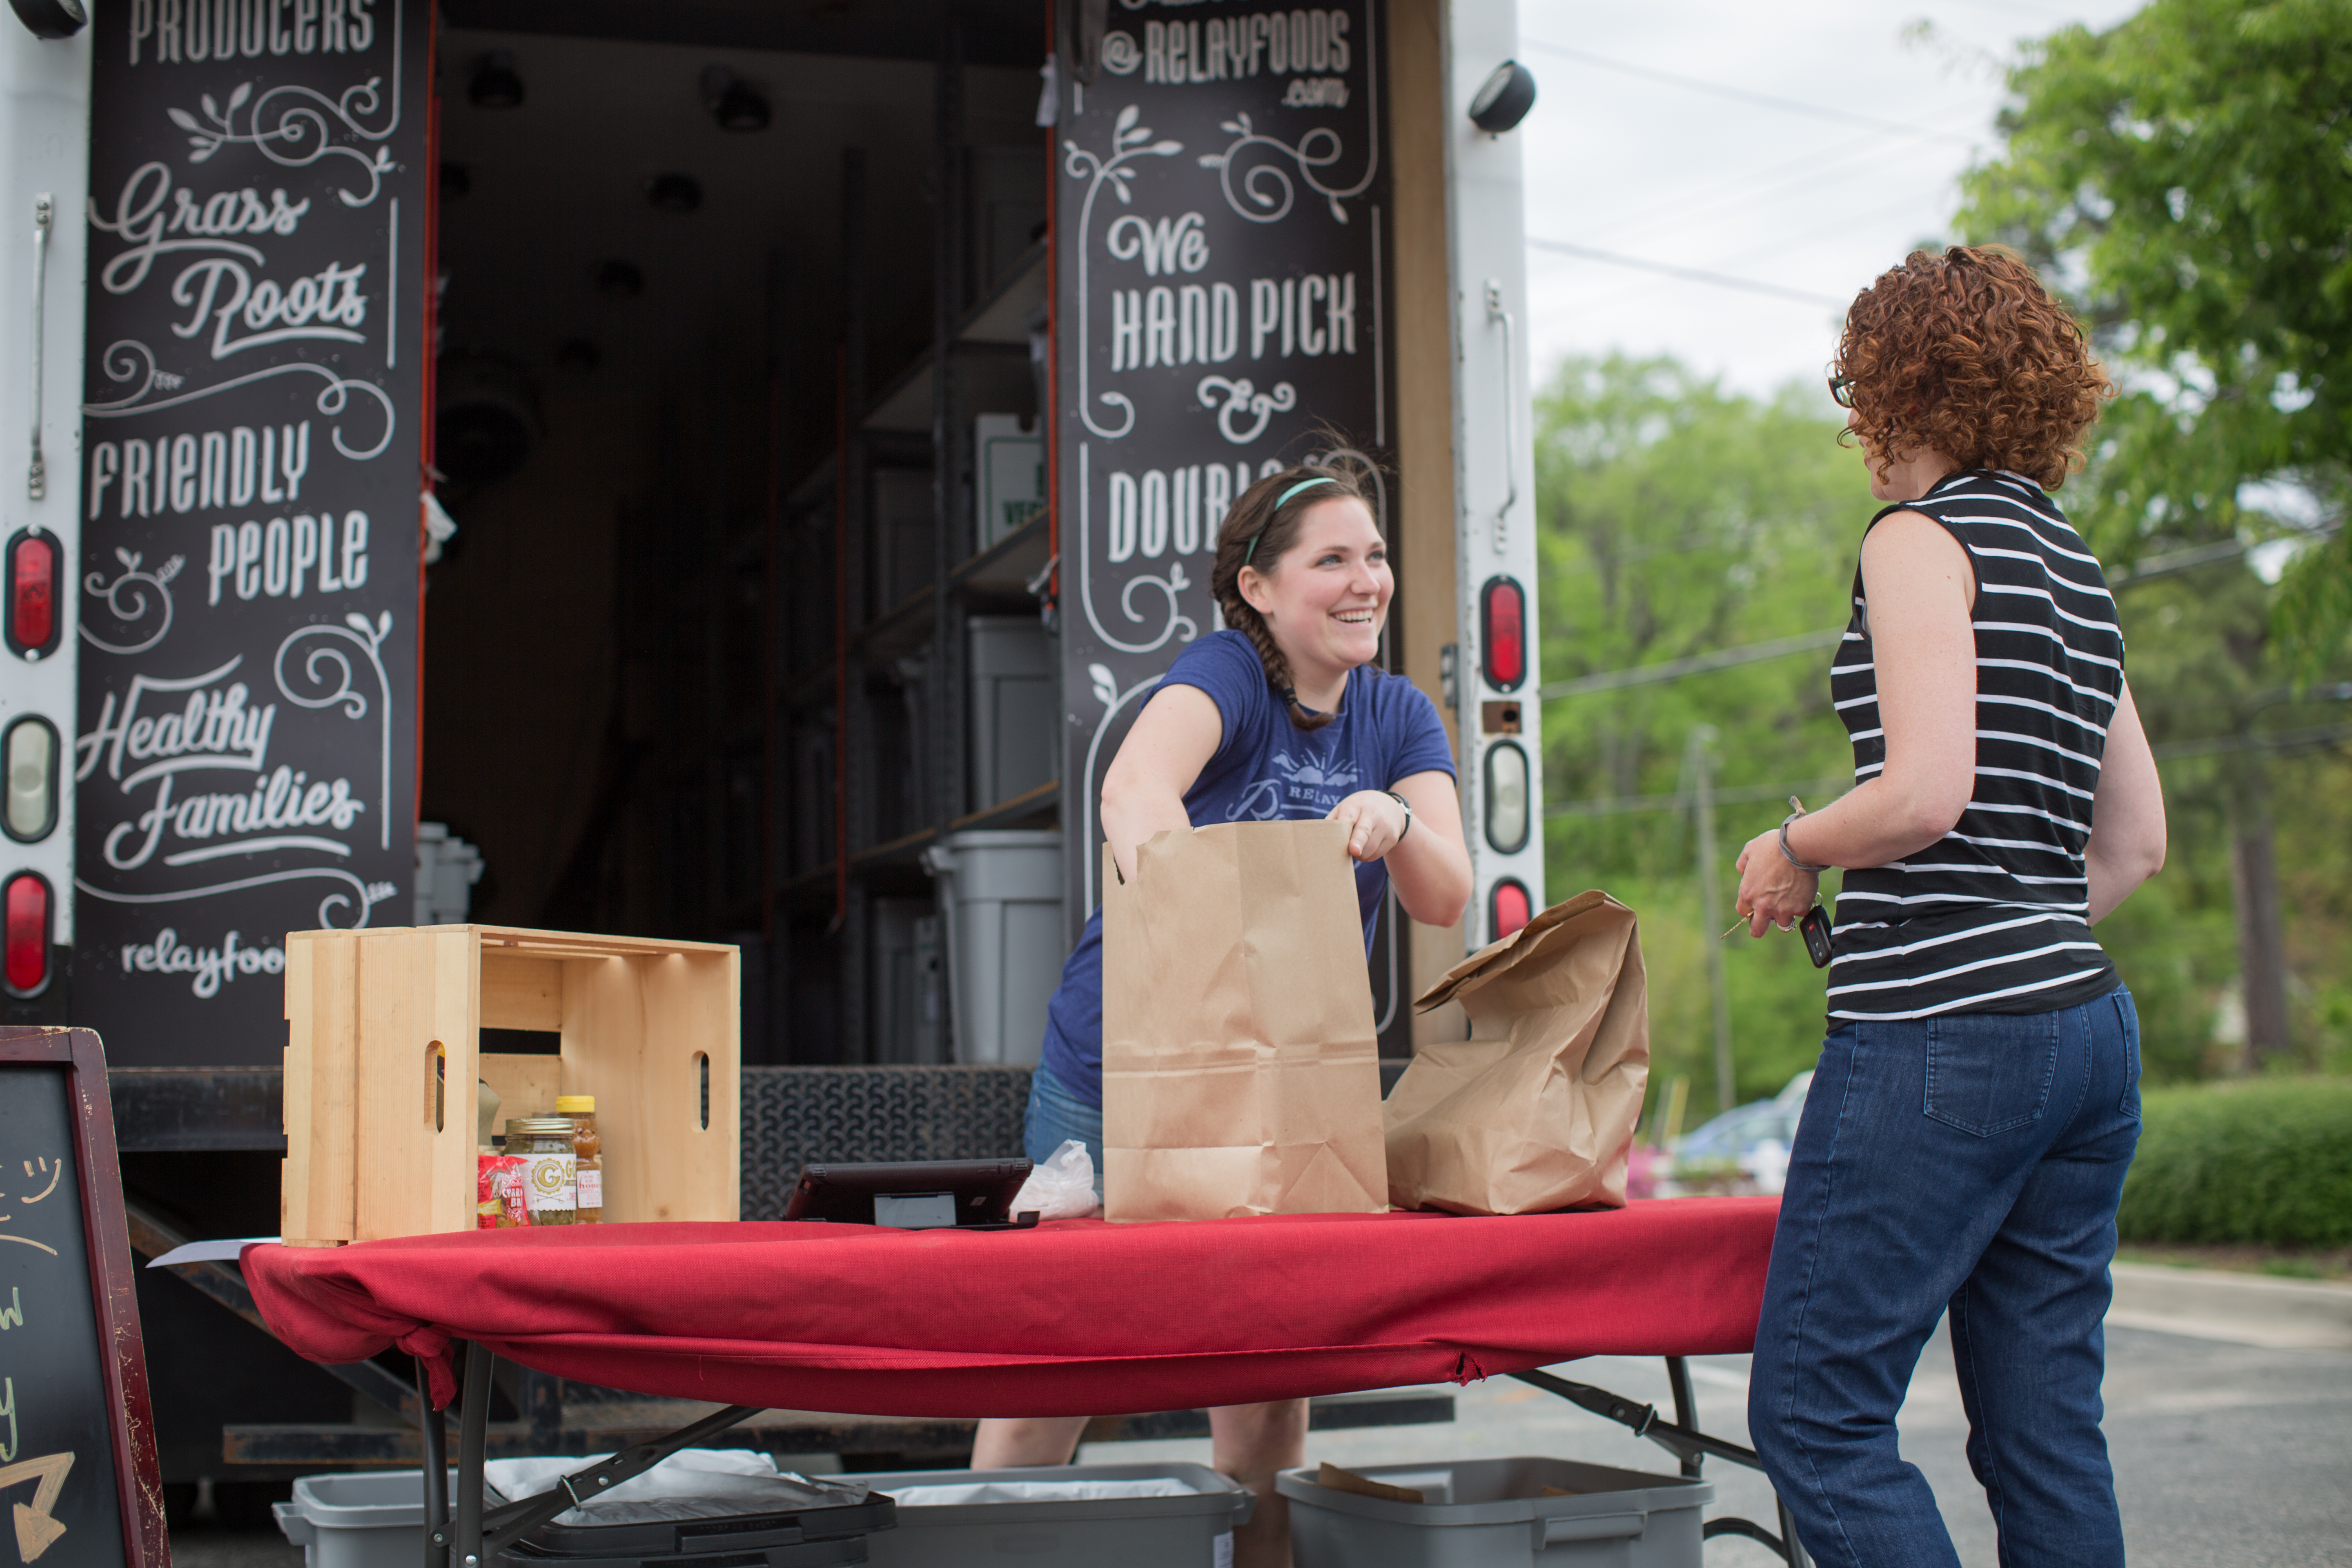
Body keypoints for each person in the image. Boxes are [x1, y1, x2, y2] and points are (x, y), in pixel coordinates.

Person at [1732, 245, 2168, 1568]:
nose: (1862, 425)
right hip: (2087, 1033)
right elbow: (2137, 843)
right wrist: (2025, 932)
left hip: (1942, 1035)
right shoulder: (2074, 565)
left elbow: (1923, 793)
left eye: (1866, 390)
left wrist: (1792, 841)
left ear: (1905, 390)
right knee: (2045, 1434)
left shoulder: (1922, 541)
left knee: (1816, 1415)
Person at [970, 462, 1472, 1566]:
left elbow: (1448, 893)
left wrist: (1398, 820)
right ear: (1257, 588)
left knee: (1268, 1402)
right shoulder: (1225, 677)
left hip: (1285, 1089)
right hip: (1115, 1076)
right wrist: (1198, 906)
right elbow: (1134, 791)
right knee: (1057, 1378)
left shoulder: (1397, 716)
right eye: (1331, 560)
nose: (1365, 582)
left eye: (1375, 555)